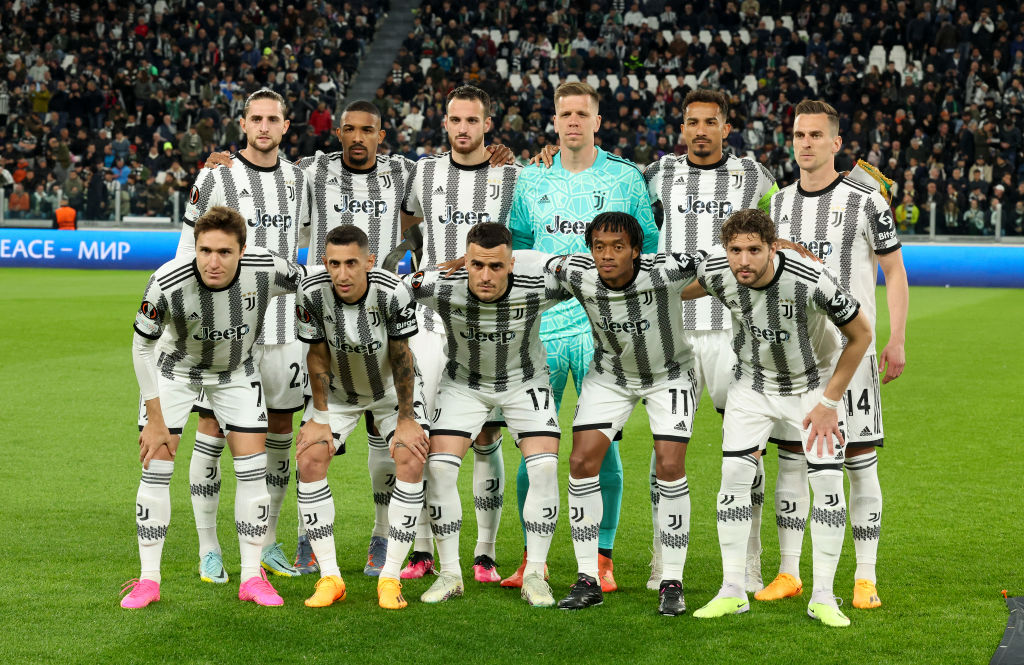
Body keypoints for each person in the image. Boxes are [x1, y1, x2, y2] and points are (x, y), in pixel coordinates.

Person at [506, 81, 660, 591]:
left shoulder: (626, 177)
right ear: (554, 121)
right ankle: (533, 558)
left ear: (597, 120)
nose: (573, 121)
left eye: (582, 113)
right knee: (536, 447)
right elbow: (519, 248)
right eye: (565, 113)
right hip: (542, 330)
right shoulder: (531, 177)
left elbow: (648, 249)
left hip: (604, 332)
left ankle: (603, 555)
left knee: (603, 445)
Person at [688, 208, 872, 629]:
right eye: (735, 250)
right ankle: (733, 591)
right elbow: (677, 291)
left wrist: (829, 403)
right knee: (734, 478)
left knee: (827, 483)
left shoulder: (810, 278)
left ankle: (823, 596)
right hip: (751, 387)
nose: (743, 260)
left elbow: (861, 334)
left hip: (813, 387)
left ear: (773, 248)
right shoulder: (719, 273)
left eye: (754, 250)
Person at [121, 206, 304, 609]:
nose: (213, 262)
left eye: (224, 252)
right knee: (155, 469)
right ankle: (149, 580)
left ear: (242, 251)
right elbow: (141, 347)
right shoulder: (167, 279)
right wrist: (154, 418)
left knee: (253, 472)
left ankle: (252, 577)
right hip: (174, 371)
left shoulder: (267, 269)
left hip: (236, 372)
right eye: (205, 251)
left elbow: (313, 280)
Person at [766, 100, 907, 611]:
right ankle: (788, 571)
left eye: (815, 135)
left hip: (852, 351)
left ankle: (865, 576)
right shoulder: (778, 205)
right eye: (798, 135)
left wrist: (897, 338)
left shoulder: (866, 201)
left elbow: (894, 271)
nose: (805, 143)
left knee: (858, 461)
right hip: (794, 356)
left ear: (836, 142)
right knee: (791, 460)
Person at [643, 88, 779, 592]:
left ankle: (749, 562)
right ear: (681, 128)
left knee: (746, 450)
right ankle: (663, 560)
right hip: (672, 328)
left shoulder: (755, 175)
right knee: (665, 450)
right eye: (692, 122)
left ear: (727, 127)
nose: (701, 130)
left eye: (711, 122)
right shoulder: (656, 173)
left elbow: (783, 222)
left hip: (734, 330)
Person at [173, 89, 310, 582]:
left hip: (284, 326)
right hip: (225, 328)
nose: (264, 127)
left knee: (279, 432)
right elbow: (187, 248)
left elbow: (305, 236)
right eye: (256, 118)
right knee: (212, 430)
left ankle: (267, 541)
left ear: (285, 126)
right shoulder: (217, 175)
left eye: (273, 119)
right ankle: (209, 548)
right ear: (244, 123)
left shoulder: (299, 178)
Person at [404, 223, 568, 607]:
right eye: (476, 265)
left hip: (525, 383)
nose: (486, 275)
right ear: (465, 262)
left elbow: (589, 274)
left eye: (496, 266)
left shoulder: (539, 285)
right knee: (439, 468)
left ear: (512, 264)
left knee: (545, 467)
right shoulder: (441, 286)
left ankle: (534, 574)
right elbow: (388, 290)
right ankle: (450, 574)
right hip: (464, 384)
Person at [547, 212, 702, 616]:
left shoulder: (666, 269)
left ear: (636, 251)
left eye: (618, 247)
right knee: (581, 461)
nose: (607, 255)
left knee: (670, 465)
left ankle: (672, 581)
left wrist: (778, 249)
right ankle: (588, 578)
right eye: (599, 247)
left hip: (670, 374)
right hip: (610, 377)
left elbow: (722, 260)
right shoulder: (577, 272)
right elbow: (530, 260)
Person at [400, 85, 523, 583]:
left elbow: (523, 236)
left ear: (487, 124)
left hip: (487, 325)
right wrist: (420, 259)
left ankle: (485, 553)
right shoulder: (425, 171)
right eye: (455, 120)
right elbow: (408, 219)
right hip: (431, 323)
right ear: (445, 122)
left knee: (488, 435)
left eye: (473, 120)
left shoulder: (511, 175)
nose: (463, 128)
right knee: (425, 435)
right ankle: (422, 549)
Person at [293, 225, 429, 609]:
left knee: (410, 456)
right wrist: (319, 416)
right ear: (324, 262)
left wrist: (406, 419)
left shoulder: (393, 292)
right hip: (339, 393)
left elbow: (402, 356)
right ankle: (330, 577)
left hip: (389, 392)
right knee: (309, 457)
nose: (342, 273)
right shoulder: (311, 292)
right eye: (334, 263)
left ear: (369, 262)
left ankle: (390, 578)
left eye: (352, 263)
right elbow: (317, 354)